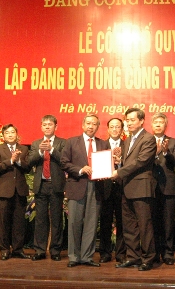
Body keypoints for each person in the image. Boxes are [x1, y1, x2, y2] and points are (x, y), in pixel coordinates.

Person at [61, 114, 108, 267]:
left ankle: (87, 257)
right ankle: (74, 257)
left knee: (91, 223)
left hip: (96, 187)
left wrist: (108, 168)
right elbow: (64, 162)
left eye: (94, 124)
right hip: (77, 185)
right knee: (74, 222)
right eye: (88, 123)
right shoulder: (71, 142)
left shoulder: (103, 144)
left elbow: (107, 164)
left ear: (98, 127)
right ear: (83, 125)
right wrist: (80, 169)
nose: (91, 126)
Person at [112, 108, 157, 271]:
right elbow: (129, 162)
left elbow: (141, 161)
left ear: (142, 121)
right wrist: (119, 161)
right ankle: (133, 257)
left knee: (144, 225)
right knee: (129, 225)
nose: (129, 123)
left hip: (141, 188)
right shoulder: (127, 140)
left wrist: (119, 172)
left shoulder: (149, 138)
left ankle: (148, 258)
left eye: (132, 120)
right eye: (127, 120)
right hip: (127, 188)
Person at [27, 115, 66, 262]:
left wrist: (52, 150)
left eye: (50, 124)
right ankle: (40, 250)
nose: (47, 127)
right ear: (41, 127)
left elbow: (65, 160)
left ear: (56, 126)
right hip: (41, 184)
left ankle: (55, 250)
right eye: (45, 125)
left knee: (56, 219)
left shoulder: (62, 142)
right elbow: (29, 162)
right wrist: (40, 152)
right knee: (40, 219)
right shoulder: (36, 143)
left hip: (56, 185)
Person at [0, 124, 31, 260]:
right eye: (7, 133)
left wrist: (18, 161)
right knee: (3, 222)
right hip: (4, 190)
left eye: (12, 132)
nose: (10, 135)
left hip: (20, 190)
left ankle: (18, 249)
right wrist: (10, 161)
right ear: (3, 135)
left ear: (16, 134)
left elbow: (28, 167)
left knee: (19, 222)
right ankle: (4, 249)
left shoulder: (24, 149)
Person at [151, 113, 175, 265]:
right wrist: (155, 153)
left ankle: (168, 253)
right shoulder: (146, 141)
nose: (158, 124)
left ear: (165, 125)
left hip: (168, 187)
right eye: (155, 122)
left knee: (168, 223)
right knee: (153, 222)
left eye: (161, 122)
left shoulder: (173, 142)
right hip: (150, 187)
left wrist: (165, 152)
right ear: (152, 125)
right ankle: (155, 253)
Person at [99, 117, 126, 263]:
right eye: (112, 127)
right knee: (105, 222)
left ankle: (121, 253)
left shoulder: (127, 145)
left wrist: (120, 163)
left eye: (118, 127)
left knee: (123, 222)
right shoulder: (101, 145)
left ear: (122, 130)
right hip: (106, 188)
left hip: (123, 188)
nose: (115, 129)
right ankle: (105, 253)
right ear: (108, 129)